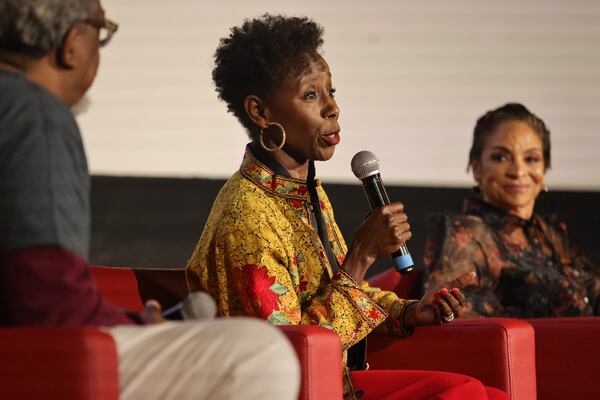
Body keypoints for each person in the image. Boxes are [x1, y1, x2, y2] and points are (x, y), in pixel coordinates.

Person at [186, 14, 511, 400]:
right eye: (310, 95)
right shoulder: (246, 218)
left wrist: (409, 312)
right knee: (464, 394)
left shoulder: (303, 193)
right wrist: (361, 255)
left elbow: (337, 297)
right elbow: (288, 352)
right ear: (261, 112)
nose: (332, 109)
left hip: (337, 386)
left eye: (331, 91)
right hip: (295, 390)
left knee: (488, 393)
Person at [0, 1, 300, 399]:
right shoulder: (34, 112)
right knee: (259, 355)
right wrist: (140, 327)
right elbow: (43, 295)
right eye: (100, 30)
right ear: (71, 43)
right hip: (27, 358)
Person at [423, 103, 600, 318]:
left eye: (531, 159)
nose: (518, 171)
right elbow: (456, 324)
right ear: (477, 168)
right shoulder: (467, 235)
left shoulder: (552, 235)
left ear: (544, 169)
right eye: (501, 157)